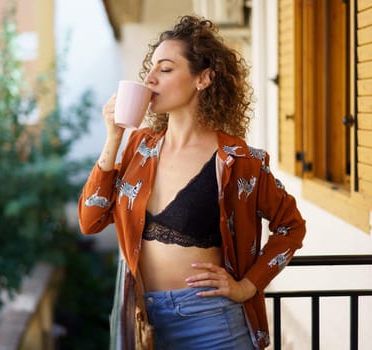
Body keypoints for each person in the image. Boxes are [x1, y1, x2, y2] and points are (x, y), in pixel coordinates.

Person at [78, 15, 306, 350]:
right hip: (145, 322)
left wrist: (247, 286)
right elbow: (90, 220)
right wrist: (114, 139)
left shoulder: (238, 160)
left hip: (213, 323)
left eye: (166, 69)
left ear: (204, 78)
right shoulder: (139, 148)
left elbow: (291, 227)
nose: (150, 79)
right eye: (151, 68)